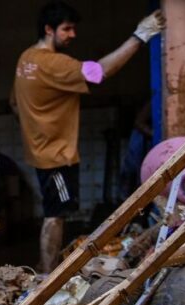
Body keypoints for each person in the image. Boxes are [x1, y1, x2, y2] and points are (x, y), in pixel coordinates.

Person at [12, 2, 164, 272]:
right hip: (55, 154)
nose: (73, 35)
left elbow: (14, 102)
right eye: (66, 29)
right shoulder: (53, 63)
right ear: (49, 29)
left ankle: (45, 269)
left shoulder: (26, 59)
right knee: (55, 216)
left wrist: (36, 124)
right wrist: (140, 36)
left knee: (54, 212)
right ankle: (47, 276)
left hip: (40, 149)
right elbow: (99, 72)